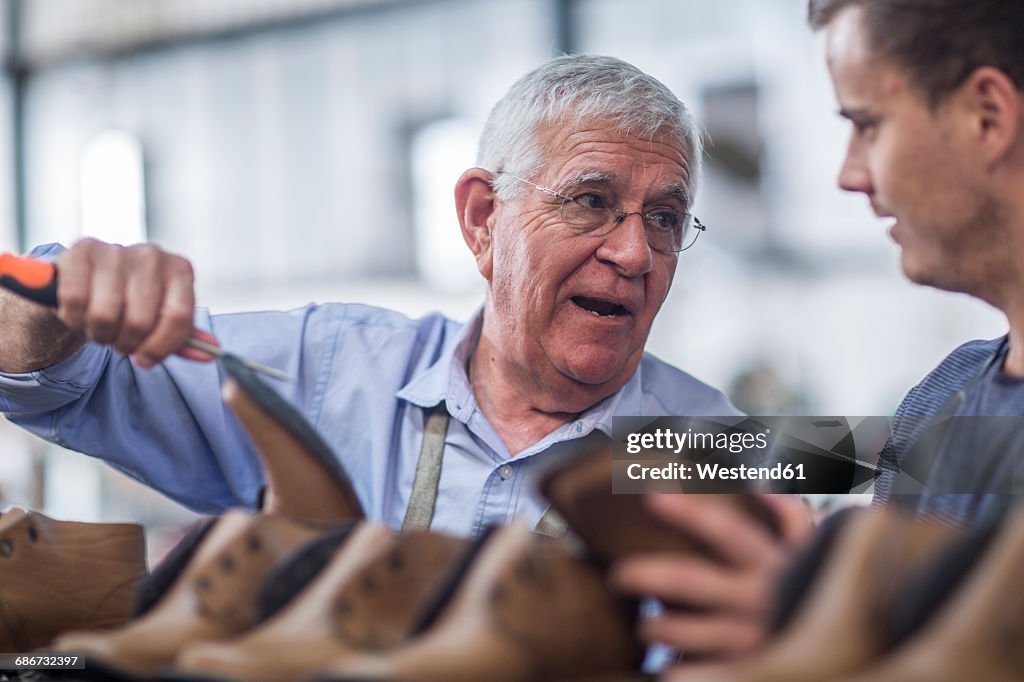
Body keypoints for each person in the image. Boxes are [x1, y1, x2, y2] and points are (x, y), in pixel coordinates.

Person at [0, 54, 737, 539]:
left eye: (666, 219)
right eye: (589, 200)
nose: (635, 252)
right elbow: (54, 383)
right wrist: (60, 303)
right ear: (483, 218)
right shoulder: (324, 374)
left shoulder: (713, 443)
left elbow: (849, 476)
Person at [614, 0, 1024, 670]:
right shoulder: (946, 399)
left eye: (867, 124)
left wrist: (817, 619)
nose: (849, 173)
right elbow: (841, 450)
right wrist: (615, 456)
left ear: (988, 116)